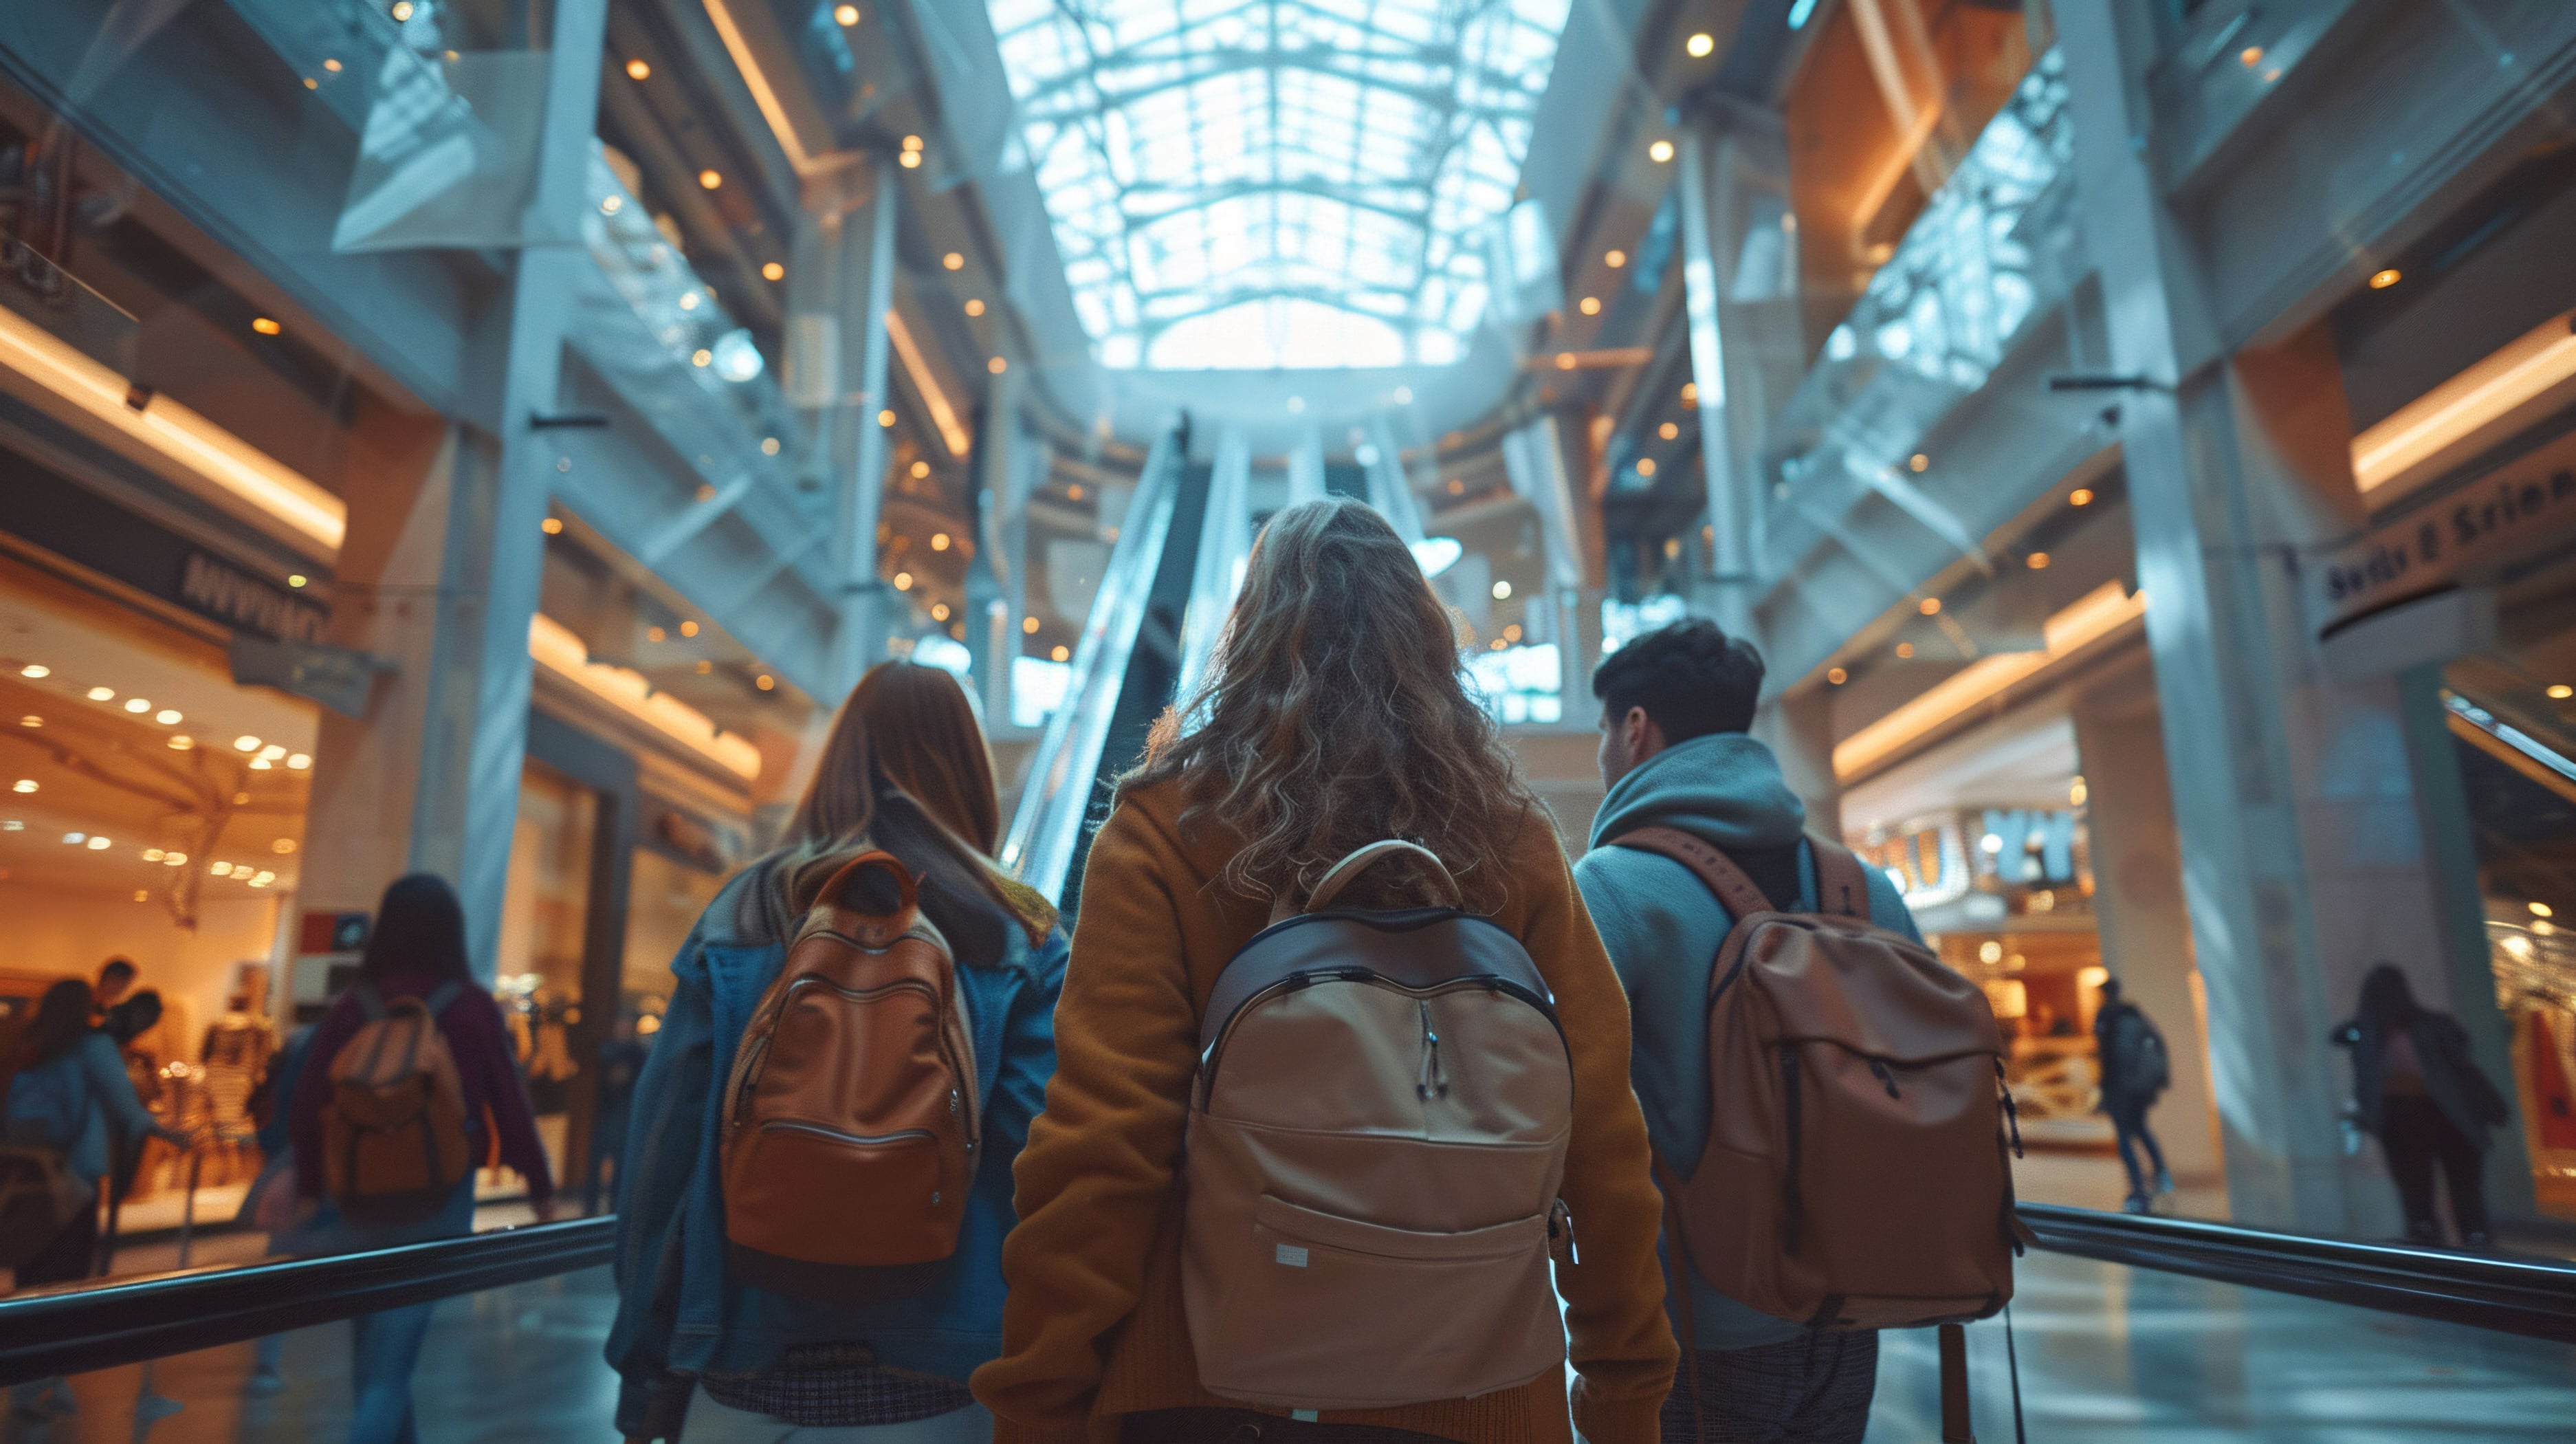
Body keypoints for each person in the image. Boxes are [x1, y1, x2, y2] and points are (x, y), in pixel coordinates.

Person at [973, 498, 1678, 1444]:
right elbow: (1598, 1131)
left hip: (1206, 1386)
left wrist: (1040, 1399)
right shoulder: (1508, 840)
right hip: (1479, 1389)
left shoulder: (1162, 829)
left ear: (1247, 636)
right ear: (1427, 637)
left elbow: (1102, 1145)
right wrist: (1623, 1384)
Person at [608, 660, 1068, 1444]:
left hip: (743, 1366)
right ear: (968, 771)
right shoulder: (1020, 929)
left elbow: (663, 1157)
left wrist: (645, 1362)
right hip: (945, 1378)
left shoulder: (744, 910)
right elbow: (1042, 1159)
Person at [1573, 617, 1924, 1444]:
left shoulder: (1614, 889)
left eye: (1602, 731)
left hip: (1700, 1323)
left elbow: (1564, 1104)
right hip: (1855, 1309)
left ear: (1635, 728)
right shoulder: (1864, 888)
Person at [287, 874, 557, 1444]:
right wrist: (539, 1187)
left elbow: (309, 1096)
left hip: (353, 1195)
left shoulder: (354, 1006)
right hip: (437, 1192)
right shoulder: (470, 1007)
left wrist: (312, 1184)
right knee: (394, 1361)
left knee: (372, 1360)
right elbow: (509, 1100)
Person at [3, 979, 190, 1422]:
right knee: (67, 1281)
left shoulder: (22, 1042)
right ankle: (48, 1377)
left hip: (24, 1172)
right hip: (75, 1177)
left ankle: (27, 1380)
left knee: (31, 1276)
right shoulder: (93, 1045)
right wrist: (168, 1134)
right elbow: (127, 1107)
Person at [2332, 963, 2511, 1247]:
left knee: (2443, 1193)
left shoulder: (2390, 1031)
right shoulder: (2377, 1032)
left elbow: (2458, 1056)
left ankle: (2458, 1241)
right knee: (2436, 1193)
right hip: (2425, 1117)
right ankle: (2456, 1240)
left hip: (2430, 1116)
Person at [2092, 977, 2172, 1214]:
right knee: (2141, 1129)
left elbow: (2106, 1057)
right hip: (2141, 1087)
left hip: (2119, 1087)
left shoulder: (2106, 1016)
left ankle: (2138, 1188)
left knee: (2124, 1137)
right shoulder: (2135, 1014)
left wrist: (2104, 1088)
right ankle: (2161, 1173)